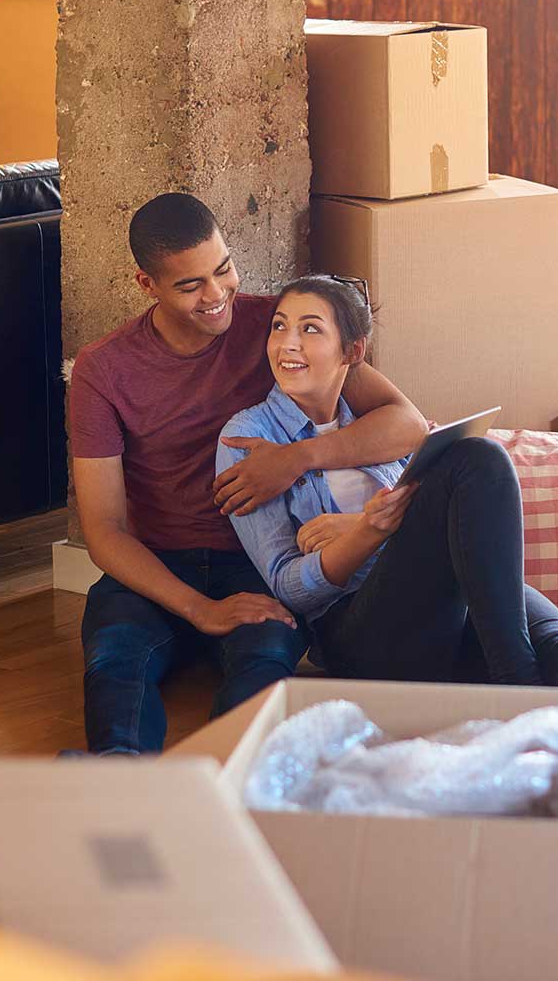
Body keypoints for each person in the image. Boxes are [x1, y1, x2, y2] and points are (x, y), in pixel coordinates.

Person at [68, 195, 427, 754]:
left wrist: (297, 458)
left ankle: (226, 780)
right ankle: (120, 778)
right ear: (147, 284)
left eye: (224, 269)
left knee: (265, 659)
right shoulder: (103, 369)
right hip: (157, 562)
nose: (216, 295)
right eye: (191, 286)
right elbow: (105, 529)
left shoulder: (277, 328)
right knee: (115, 661)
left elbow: (407, 424)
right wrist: (200, 609)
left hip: (257, 561)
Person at [219, 275, 558, 689]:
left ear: (352, 351)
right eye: (279, 326)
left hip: (448, 602)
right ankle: (516, 683)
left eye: (310, 329)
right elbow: (289, 588)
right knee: (477, 457)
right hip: (359, 631)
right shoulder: (248, 437)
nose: (288, 343)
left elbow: (439, 514)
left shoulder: (375, 424)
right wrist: (367, 532)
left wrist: (368, 525)